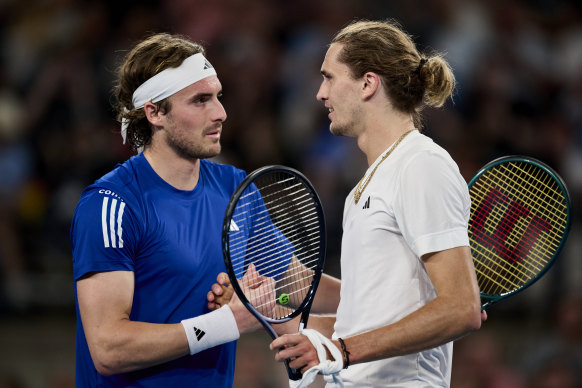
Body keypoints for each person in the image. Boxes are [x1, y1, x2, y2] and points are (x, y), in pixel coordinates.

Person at [267, 19, 485, 387]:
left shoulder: (420, 164)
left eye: (330, 77)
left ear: (368, 83)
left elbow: (462, 309)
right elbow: (362, 315)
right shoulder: (366, 187)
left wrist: (342, 350)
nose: (321, 94)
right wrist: (275, 300)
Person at [70, 33, 280, 387]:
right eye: (200, 100)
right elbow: (108, 349)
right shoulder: (110, 203)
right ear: (154, 112)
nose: (220, 113)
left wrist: (265, 298)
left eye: (217, 96)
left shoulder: (236, 188)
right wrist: (227, 322)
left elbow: (294, 285)